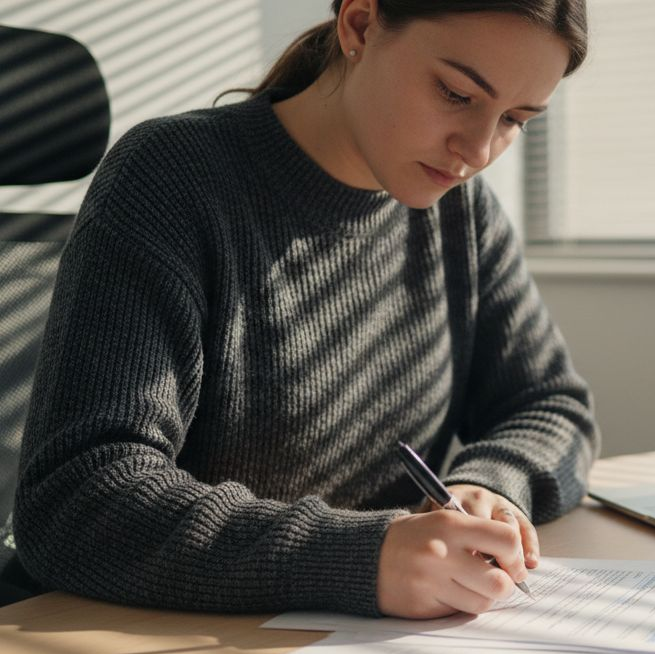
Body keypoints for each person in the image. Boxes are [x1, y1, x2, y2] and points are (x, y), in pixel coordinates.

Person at [12, 0, 597, 619]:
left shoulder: (462, 210)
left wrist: (490, 486)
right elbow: (77, 498)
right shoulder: (173, 176)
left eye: (515, 119)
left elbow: (551, 406)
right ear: (361, 25)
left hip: (344, 648)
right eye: (456, 94)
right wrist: (362, 558)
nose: (477, 150)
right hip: (128, 643)